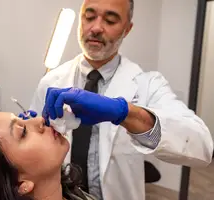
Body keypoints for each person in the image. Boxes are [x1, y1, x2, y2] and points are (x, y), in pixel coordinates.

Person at [29, 0, 214, 199]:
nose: (96, 28)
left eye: (110, 20)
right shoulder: (51, 81)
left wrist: (127, 113)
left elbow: (202, 146)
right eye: (89, 17)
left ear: (127, 29)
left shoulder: (147, 84)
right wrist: (29, 130)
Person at [0, 107, 97, 200]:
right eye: (23, 132)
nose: (39, 120)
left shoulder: (75, 194)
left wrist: (122, 118)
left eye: (22, 119)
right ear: (19, 185)